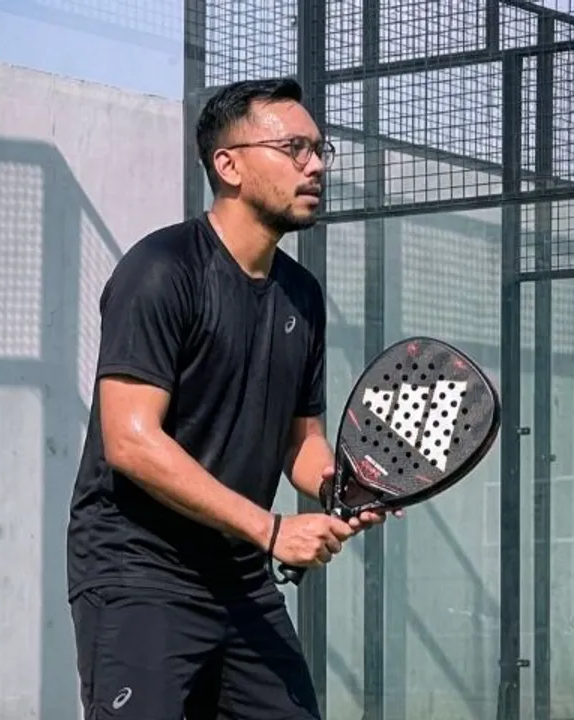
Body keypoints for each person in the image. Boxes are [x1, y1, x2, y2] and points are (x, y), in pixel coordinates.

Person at [66, 76, 396, 720]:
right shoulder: (161, 271)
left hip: (241, 578)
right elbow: (129, 441)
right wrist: (272, 530)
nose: (316, 165)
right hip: (140, 573)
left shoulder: (302, 294)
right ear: (229, 165)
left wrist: (346, 487)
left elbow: (301, 442)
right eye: (295, 148)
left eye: (320, 150)